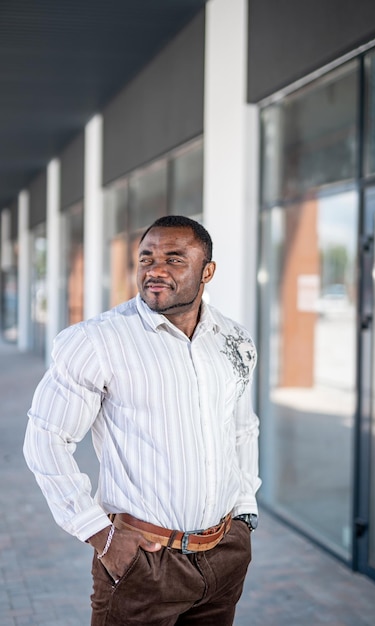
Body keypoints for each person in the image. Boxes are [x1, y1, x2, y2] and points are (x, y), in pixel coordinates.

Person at [24, 215, 261, 625]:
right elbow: (46, 440)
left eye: (174, 259)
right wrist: (101, 536)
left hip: (224, 554)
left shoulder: (233, 339)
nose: (156, 270)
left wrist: (244, 512)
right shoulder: (97, 341)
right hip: (143, 565)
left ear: (208, 272)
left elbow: (241, 427)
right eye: (147, 258)